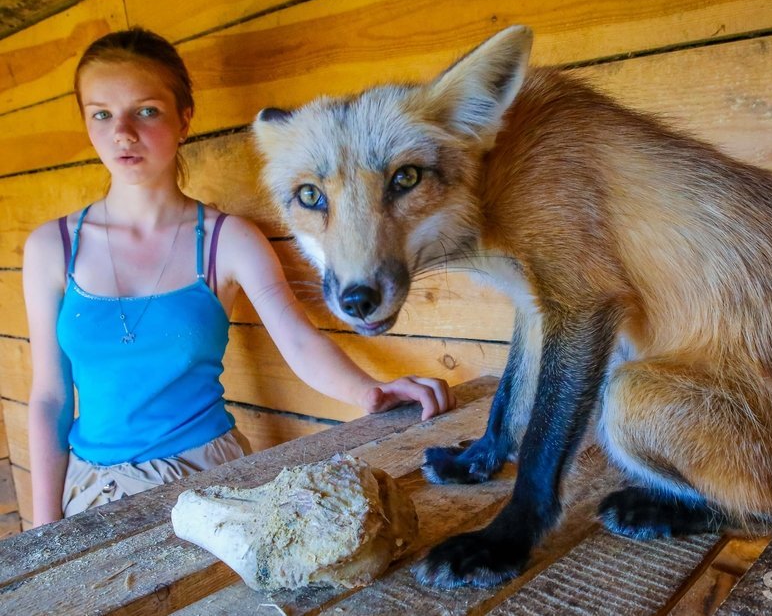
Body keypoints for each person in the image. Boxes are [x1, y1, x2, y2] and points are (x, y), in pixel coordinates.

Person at [22, 27, 456, 527]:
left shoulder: (227, 239)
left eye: (146, 110)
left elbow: (296, 339)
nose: (123, 132)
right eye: (101, 113)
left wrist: (369, 391)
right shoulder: (51, 247)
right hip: (91, 492)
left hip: (210, 481)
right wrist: (43, 525)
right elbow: (51, 397)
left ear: (184, 118)